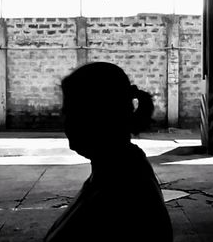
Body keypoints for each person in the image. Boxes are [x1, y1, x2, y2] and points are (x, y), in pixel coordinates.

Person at [44, 62, 173, 241]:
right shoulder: (119, 168)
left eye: (70, 112)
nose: (63, 121)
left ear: (96, 117)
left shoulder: (121, 191)